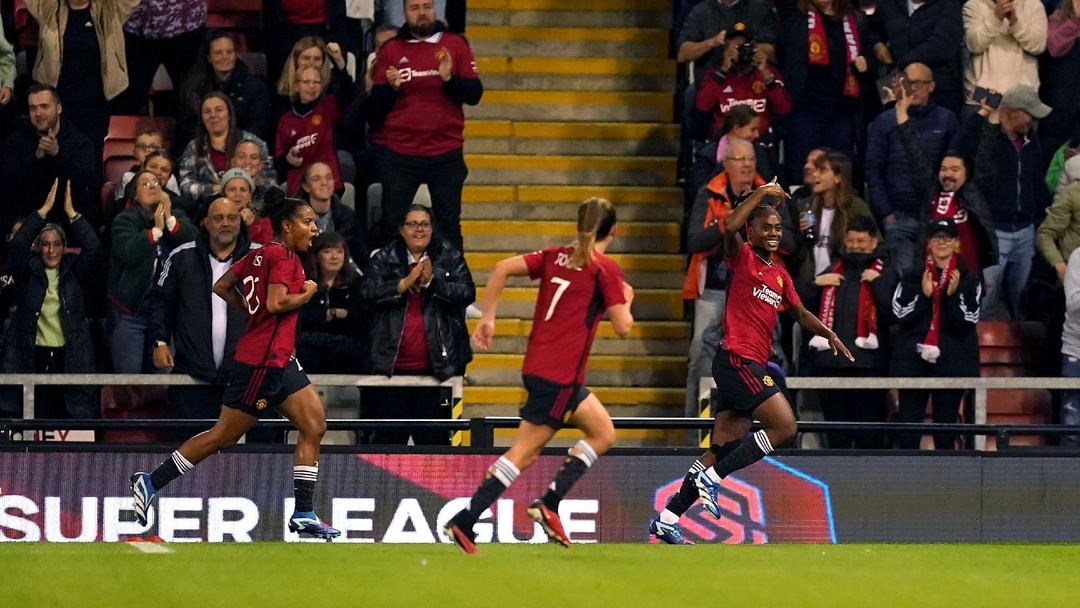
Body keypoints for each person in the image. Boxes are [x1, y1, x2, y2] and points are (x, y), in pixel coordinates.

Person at [130, 188, 340, 540]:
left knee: (315, 423)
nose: (314, 229)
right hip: (260, 363)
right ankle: (150, 482)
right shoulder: (283, 259)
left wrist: (251, 311)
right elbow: (275, 303)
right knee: (222, 436)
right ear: (286, 226)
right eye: (308, 222)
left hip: (280, 359)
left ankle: (304, 513)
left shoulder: (259, 256)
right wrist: (307, 292)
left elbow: (222, 286)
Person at [650, 181, 853, 545]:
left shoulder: (779, 274)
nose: (774, 233)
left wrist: (830, 334)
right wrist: (762, 194)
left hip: (746, 364)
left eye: (778, 228)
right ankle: (714, 479)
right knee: (786, 427)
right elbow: (728, 227)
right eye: (766, 227)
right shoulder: (740, 256)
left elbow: (801, 312)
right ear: (752, 231)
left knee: (721, 448)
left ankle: (668, 517)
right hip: (737, 361)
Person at [443, 198, 634, 554]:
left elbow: (501, 267)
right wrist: (627, 298)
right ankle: (468, 520)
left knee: (603, 432)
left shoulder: (554, 255)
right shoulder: (603, 269)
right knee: (523, 453)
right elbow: (623, 327)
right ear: (614, 231)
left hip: (542, 369)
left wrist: (488, 317)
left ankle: (549, 502)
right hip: (560, 376)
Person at [683, 139, 794, 426]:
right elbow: (694, 240)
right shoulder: (708, 194)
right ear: (726, 164)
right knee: (700, 357)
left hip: (758, 291)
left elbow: (791, 242)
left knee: (773, 356)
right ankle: (693, 428)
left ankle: (768, 425)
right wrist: (726, 223)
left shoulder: (772, 196)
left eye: (751, 158)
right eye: (739, 159)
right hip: (714, 292)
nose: (746, 164)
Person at [370, 0, 482, 250]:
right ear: (404, 13)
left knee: (449, 224)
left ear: (435, 9)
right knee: (391, 224)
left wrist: (449, 79)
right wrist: (392, 88)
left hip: (446, 153)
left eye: (427, 6)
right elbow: (375, 110)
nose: (422, 13)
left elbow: (475, 94)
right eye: (415, 7)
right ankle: (388, 285)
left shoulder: (455, 44)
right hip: (401, 152)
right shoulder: (391, 49)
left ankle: (453, 285)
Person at [360, 204, 474, 445]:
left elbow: (466, 293)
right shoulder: (384, 257)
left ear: (432, 229)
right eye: (412, 224)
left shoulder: (449, 256)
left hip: (436, 373)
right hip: (390, 373)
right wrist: (401, 285)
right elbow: (366, 294)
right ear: (401, 229)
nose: (419, 229)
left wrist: (432, 283)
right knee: (387, 450)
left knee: (434, 452)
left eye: (424, 224)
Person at [0, 181, 103, 419]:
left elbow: (94, 248)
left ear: (65, 247)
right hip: (31, 355)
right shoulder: (27, 272)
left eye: (57, 244)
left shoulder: (75, 271)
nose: (51, 250)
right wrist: (43, 211)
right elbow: (17, 246)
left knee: (64, 417)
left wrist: (71, 213)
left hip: (70, 357)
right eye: (44, 244)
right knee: (35, 419)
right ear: (38, 247)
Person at [147, 198, 257, 419]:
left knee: (249, 452)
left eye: (232, 218)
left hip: (247, 378)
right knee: (191, 449)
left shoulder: (263, 258)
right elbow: (160, 302)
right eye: (218, 218)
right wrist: (159, 342)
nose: (225, 223)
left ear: (240, 221)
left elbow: (284, 306)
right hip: (192, 378)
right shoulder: (182, 256)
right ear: (206, 223)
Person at [956, 85, 1052, 319]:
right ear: (1012, 112)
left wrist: (1045, 213)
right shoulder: (987, 137)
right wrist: (984, 114)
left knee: (1022, 300)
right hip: (994, 232)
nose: (1034, 120)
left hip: (1024, 231)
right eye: (1029, 113)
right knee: (985, 300)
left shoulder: (1032, 141)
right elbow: (960, 148)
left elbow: (1036, 181)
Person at [796, 216, 892, 448]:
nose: (855, 245)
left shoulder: (886, 271)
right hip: (832, 366)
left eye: (861, 240)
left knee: (869, 438)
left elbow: (893, 315)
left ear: (873, 243)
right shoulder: (833, 269)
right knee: (837, 437)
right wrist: (816, 283)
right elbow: (799, 309)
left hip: (869, 369)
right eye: (850, 240)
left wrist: (878, 284)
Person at [890, 218, 981, 449]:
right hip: (914, 362)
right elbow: (899, 314)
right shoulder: (913, 275)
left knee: (945, 433)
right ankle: (907, 483)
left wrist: (951, 296)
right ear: (928, 243)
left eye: (947, 237)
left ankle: (946, 483)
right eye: (936, 237)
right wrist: (924, 296)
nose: (942, 242)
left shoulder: (969, 278)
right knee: (909, 433)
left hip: (952, 362)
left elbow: (967, 321)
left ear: (956, 243)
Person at [866, 63, 960, 276]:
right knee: (907, 280)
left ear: (931, 86)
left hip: (937, 214)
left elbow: (957, 168)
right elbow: (873, 169)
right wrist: (886, 214)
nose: (913, 88)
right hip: (898, 216)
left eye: (919, 83)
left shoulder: (947, 120)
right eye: (908, 82)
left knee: (939, 279)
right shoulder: (884, 121)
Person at [895, 87, 998, 279]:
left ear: (967, 174)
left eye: (954, 169)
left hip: (968, 276)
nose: (947, 174)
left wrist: (991, 114)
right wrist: (901, 112)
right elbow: (914, 150)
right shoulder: (930, 190)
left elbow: (987, 153)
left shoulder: (975, 192)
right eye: (943, 169)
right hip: (930, 277)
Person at [25, 0, 140, 160]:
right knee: (54, 158)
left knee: (91, 158)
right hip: (57, 104)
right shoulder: (50, 9)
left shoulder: (109, 10)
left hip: (95, 105)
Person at [107, 171, 198, 373]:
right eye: (145, 183)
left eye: (156, 182)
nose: (152, 186)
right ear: (135, 195)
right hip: (131, 310)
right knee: (128, 377)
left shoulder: (177, 216)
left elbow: (193, 246)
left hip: (166, 312)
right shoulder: (124, 220)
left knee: (165, 375)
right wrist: (155, 232)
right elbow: (128, 252)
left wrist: (168, 218)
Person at [779, 0, 875, 185]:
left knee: (840, 169)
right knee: (801, 167)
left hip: (842, 110)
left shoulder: (856, 20)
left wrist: (866, 64)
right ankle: (799, 210)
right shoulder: (796, 17)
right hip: (804, 108)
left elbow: (870, 58)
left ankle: (841, 211)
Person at [1, 85, 97, 229]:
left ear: (59, 108)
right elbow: (9, 184)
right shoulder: (15, 142)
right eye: (33, 108)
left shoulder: (80, 142)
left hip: (66, 217)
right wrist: (36, 158)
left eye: (44, 106)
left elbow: (86, 181)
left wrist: (57, 155)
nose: (38, 113)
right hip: (27, 215)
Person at [178, 93, 276, 210]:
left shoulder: (253, 142)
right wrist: (220, 189)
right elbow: (185, 186)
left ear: (229, 114)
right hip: (208, 209)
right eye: (207, 111)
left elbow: (270, 182)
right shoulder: (193, 148)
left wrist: (246, 194)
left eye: (219, 110)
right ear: (202, 119)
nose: (213, 115)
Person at [868, 0, 965, 113]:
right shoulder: (889, 3)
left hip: (939, 88)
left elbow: (943, 42)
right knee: (890, 126)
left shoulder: (949, 4)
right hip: (895, 85)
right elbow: (871, 29)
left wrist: (904, 63)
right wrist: (877, 44)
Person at [178, 30, 272, 146]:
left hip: (242, 148)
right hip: (203, 148)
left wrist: (232, 144)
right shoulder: (194, 87)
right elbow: (186, 127)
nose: (225, 57)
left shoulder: (255, 88)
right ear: (209, 57)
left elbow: (259, 126)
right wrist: (212, 144)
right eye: (218, 53)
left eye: (229, 52)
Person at [113, 0, 207, 115]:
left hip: (187, 28)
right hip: (134, 30)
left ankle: (194, 132)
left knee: (191, 98)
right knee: (126, 101)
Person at [793, 151, 874, 281]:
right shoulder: (805, 205)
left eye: (822, 171)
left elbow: (875, 245)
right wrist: (801, 234)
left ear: (837, 178)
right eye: (816, 170)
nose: (815, 174)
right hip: (811, 284)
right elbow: (795, 251)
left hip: (841, 282)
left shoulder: (856, 207)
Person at [275, 66, 350, 196]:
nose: (312, 86)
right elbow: (279, 158)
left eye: (316, 82)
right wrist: (288, 160)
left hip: (329, 187)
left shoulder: (327, 107)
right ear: (296, 86)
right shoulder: (286, 120)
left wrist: (341, 66)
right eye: (306, 82)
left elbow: (346, 90)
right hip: (298, 189)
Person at [962, 0, 1047, 114]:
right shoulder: (974, 5)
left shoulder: (1033, 5)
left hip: (1023, 100)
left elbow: (1038, 46)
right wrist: (995, 18)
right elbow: (974, 45)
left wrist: (1015, 23)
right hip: (983, 99)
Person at [297, 232, 365, 375]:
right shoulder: (303, 284)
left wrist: (319, 317)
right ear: (316, 256)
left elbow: (357, 322)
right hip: (308, 345)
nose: (334, 257)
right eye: (327, 251)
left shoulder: (355, 284)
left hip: (344, 346)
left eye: (339, 251)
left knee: (348, 356)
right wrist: (331, 313)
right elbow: (300, 319)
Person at [690, 106, 775, 195]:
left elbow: (769, 184)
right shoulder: (707, 155)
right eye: (753, 129)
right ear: (736, 129)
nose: (757, 135)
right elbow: (699, 191)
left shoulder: (760, 152)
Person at [297, 162, 367, 261]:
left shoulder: (348, 216)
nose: (324, 183)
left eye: (329, 178)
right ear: (306, 186)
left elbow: (361, 257)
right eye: (317, 179)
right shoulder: (296, 219)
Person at [273, 36, 352, 121]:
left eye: (317, 59)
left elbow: (346, 94)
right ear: (296, 60)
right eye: (306, 58)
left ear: (323, 62)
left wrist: (339, 61)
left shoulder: (331, 86)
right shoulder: (282, 91)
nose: (311, 63)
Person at [1041, 2, 1080, 165]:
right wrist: (1076, 21)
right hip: (1060, 102)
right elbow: (1054, 47)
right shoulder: (1059, 16)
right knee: (1051, 152)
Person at [113, 130, 182, 204]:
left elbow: (177, 204)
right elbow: (121, 205)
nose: (147, 150)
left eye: (153, 147)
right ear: (135, 151)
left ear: (162, 151)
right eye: (142, 146)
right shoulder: (128, 177)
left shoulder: (170, 179)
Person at [1060, 245, 1080, 446]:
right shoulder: (1078, 256)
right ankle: (1067, 476)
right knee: (1071, 429)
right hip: (1076, 352)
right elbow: (1073, 304)